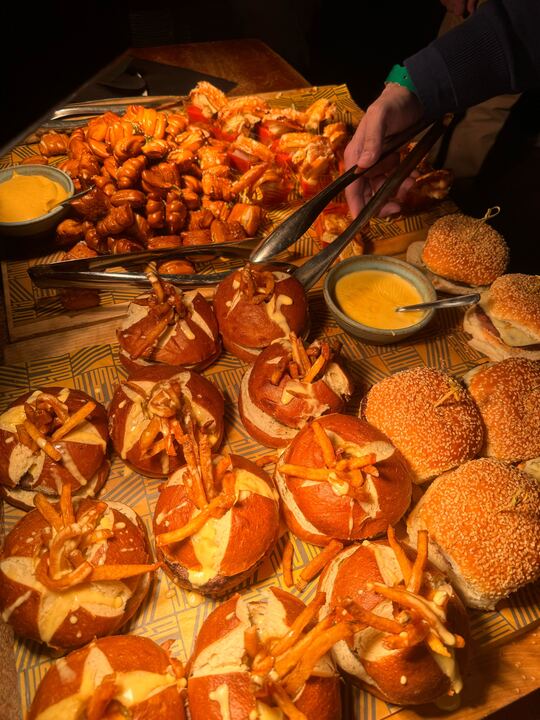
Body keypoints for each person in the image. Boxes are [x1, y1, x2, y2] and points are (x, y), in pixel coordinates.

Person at [344, 0, 540, 219]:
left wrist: (420, 83)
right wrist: (414, 85)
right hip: (475, 21)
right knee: (416, 142)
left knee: (473, 140)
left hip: (518, 49)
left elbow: (526, 27)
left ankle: (453, 203)